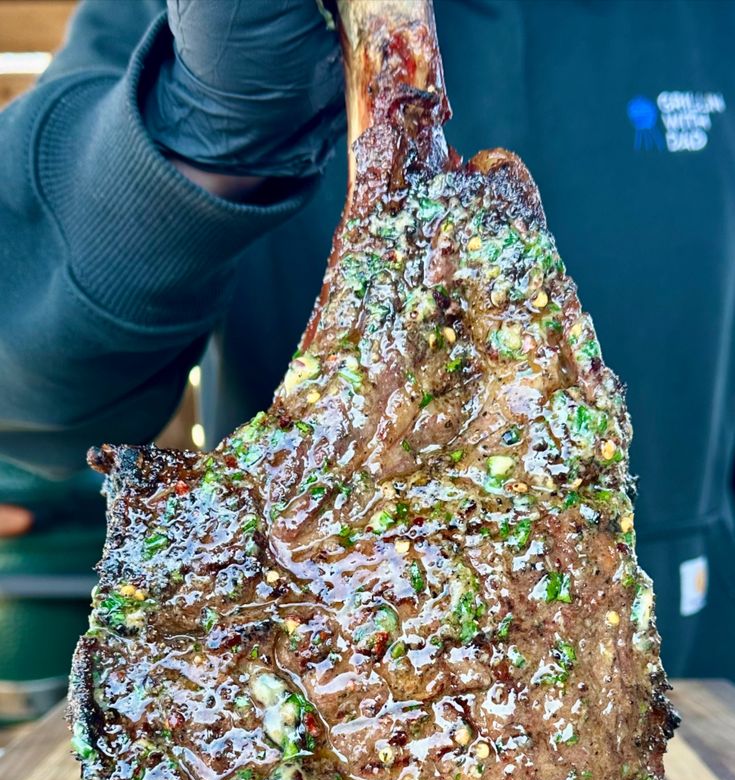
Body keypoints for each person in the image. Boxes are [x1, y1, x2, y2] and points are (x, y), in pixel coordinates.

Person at [0, 0, 733, 681]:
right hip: (305, 677)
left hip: (683, 657)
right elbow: (33, 394)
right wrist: (197, 134)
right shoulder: (184, 13)